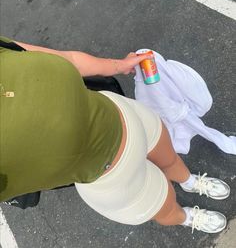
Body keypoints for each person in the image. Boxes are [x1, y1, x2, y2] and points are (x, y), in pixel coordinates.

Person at [0, 36, 230, 234]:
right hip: (109, 178)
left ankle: (189, 182)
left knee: (170, 159)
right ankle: (187, 217)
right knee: (166, 207)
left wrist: (118, 65)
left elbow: (67, 58)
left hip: (128, 116)